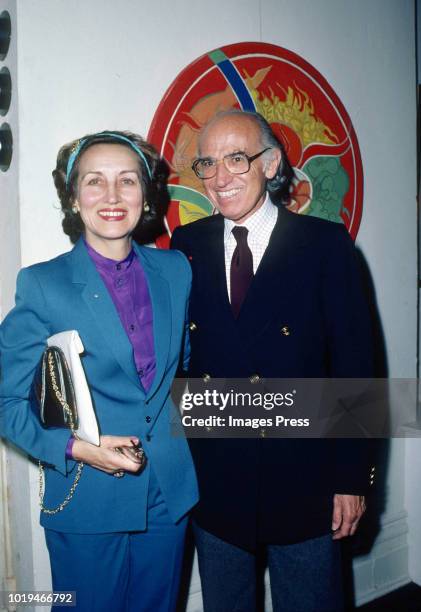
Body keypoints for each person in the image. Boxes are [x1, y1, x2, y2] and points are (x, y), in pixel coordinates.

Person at [171, 110, 375, 612]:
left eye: (237, 159)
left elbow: (356, 368)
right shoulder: (186, 246)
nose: (220, 178)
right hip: (216, 478)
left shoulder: (325, 246)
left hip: (304, 475)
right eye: (207, 164)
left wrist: (351, 479)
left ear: (272, 163)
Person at [0, 130, 198, 612]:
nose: (112, 196)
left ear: (146, 194)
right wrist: (74, 448)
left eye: (127, 181)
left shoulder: (176, 270)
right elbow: (5, 401)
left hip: (167, 494)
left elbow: (183, 372)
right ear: (73, 197)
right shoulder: (43, 284)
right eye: (95, 181)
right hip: (87, 498)